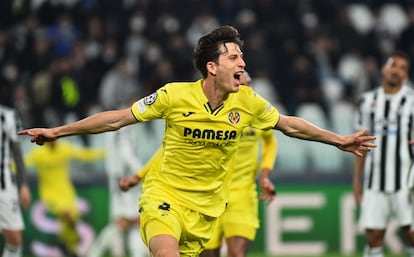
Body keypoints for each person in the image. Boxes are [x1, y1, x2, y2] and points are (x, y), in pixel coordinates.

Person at [19, 25, 376, 257]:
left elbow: (289, 126)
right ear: (211, 67)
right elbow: (118, 118)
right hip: (165, 199)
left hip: (208, 209)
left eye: (242, 56)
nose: (243, 62)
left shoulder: (247, 102)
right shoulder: (173, 96)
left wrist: (338, 140)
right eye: (234, 57)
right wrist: (57, 132)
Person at [200, 71, 277, 257]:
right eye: (243, 84)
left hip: (242, 195)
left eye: (249, 84)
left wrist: (265, 175)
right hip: (210, 195)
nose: (248, 89)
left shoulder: (256, 112)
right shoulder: (211, 113)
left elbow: (270, 141)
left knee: (236, 253)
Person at [353, 51, 414, 257]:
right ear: (384, 68)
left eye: (402, 68)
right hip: (374, 182)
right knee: (374, 238)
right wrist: (357, 180)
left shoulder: (412, 101)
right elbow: (359, 143)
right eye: (393, 65)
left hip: (407, 182)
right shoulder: (367, 102)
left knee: (412, 234)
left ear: (406, 76)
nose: (396, 70)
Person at [24, 140, 105, 257]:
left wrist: (105, 152)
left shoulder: (64, 148)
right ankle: (68, 246)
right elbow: (23, 163)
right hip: (50, 195)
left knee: (70, 221)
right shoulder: (39, 153)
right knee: (67, 215)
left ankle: (68, 246)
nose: (54, 140)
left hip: (67, 193)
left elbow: (85, 155)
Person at [86, 120, 148, 257]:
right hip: (128, 180)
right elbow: (127, 154)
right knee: (125, 222)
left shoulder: (113, 125)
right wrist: (142, 173)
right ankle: (94, 253)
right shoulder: (125, 127)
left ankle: (97, 252)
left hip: (118, 179)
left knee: (131, 221)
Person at [0, 85, 31, 257]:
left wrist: (24, 185)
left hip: (4, 186)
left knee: (15, 239)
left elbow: (17, 155)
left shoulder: (8, 116)